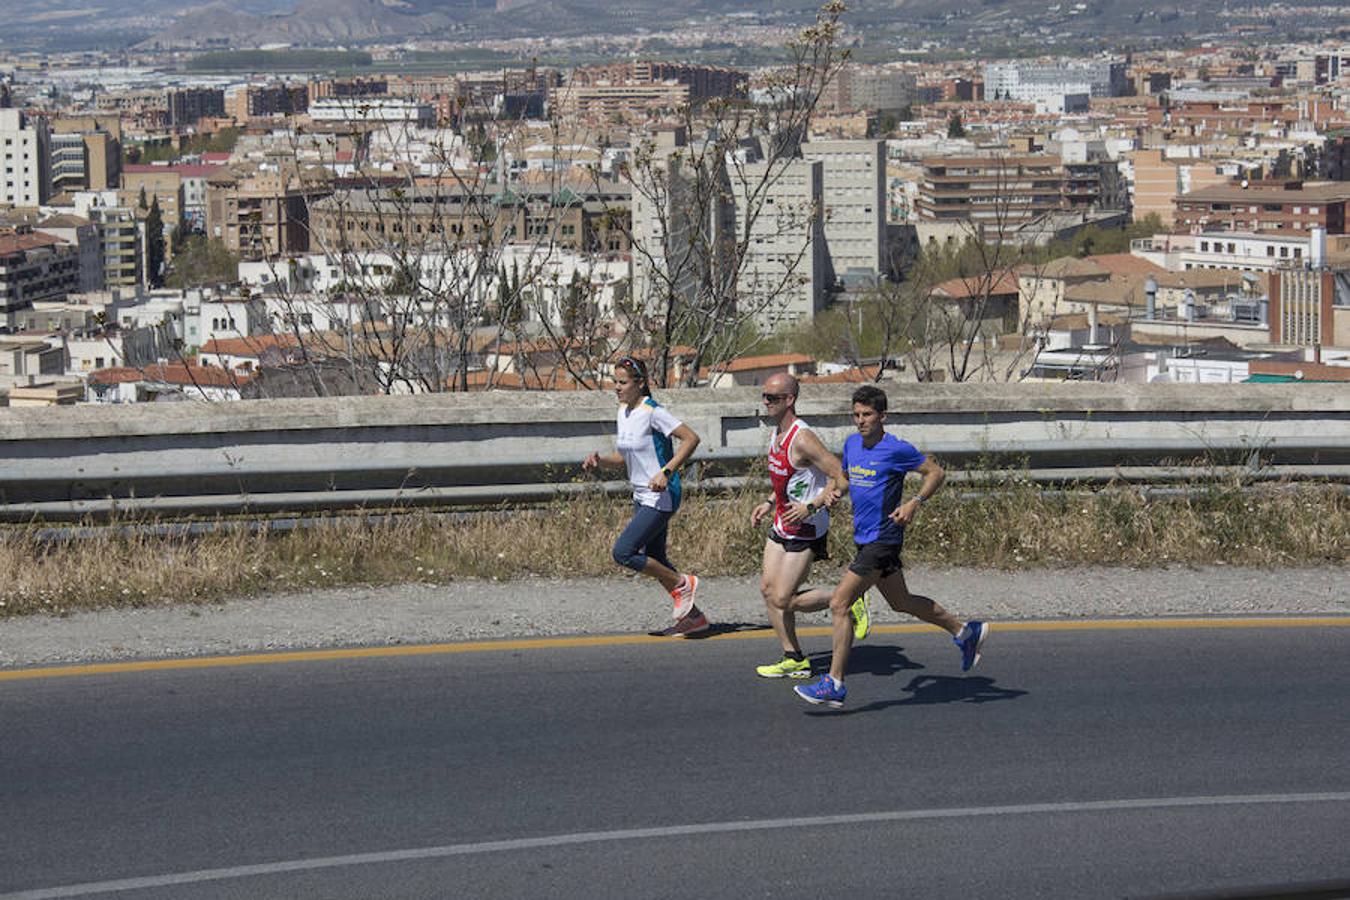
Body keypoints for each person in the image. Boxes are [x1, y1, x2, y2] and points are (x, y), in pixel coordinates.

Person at [795, 384, 988, 708]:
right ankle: (966, 632)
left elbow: (935, 473)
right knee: (902, 602)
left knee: (840, 603)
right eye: (856, 414)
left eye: (867, 414)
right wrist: (833, 493)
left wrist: (914, 502)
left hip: (883, 539)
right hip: (865, 539)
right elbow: (844, 478)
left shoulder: (896, 449)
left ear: (882, 415)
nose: (860, 420)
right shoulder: (852, 444)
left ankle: (835, 683)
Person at [751, 373, 871, 679]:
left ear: (789, 400)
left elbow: (841, 476)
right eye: (764, 396)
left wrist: (811, 506)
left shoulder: (802, 438)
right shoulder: (777, 432)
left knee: (783, 598)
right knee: (768, 590)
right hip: (782, 521)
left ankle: (848, 598)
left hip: (805, 527)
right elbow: (785, 479)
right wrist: (768, 502)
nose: (766, 402)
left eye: (773, 398)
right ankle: (794, 658)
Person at [583, 355, 708, 636]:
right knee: (656, 559)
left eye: (623, 383)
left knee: (623, 552)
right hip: (641, 495)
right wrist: (601, 460)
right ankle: (695, 617)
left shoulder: (653, 411)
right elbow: (625, 457)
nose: (617, 387)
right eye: (614, 381)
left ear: (640, 384)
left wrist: (667, 471)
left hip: (662, 495)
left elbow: (691, 438)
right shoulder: (623, 412)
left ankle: (682, 582)